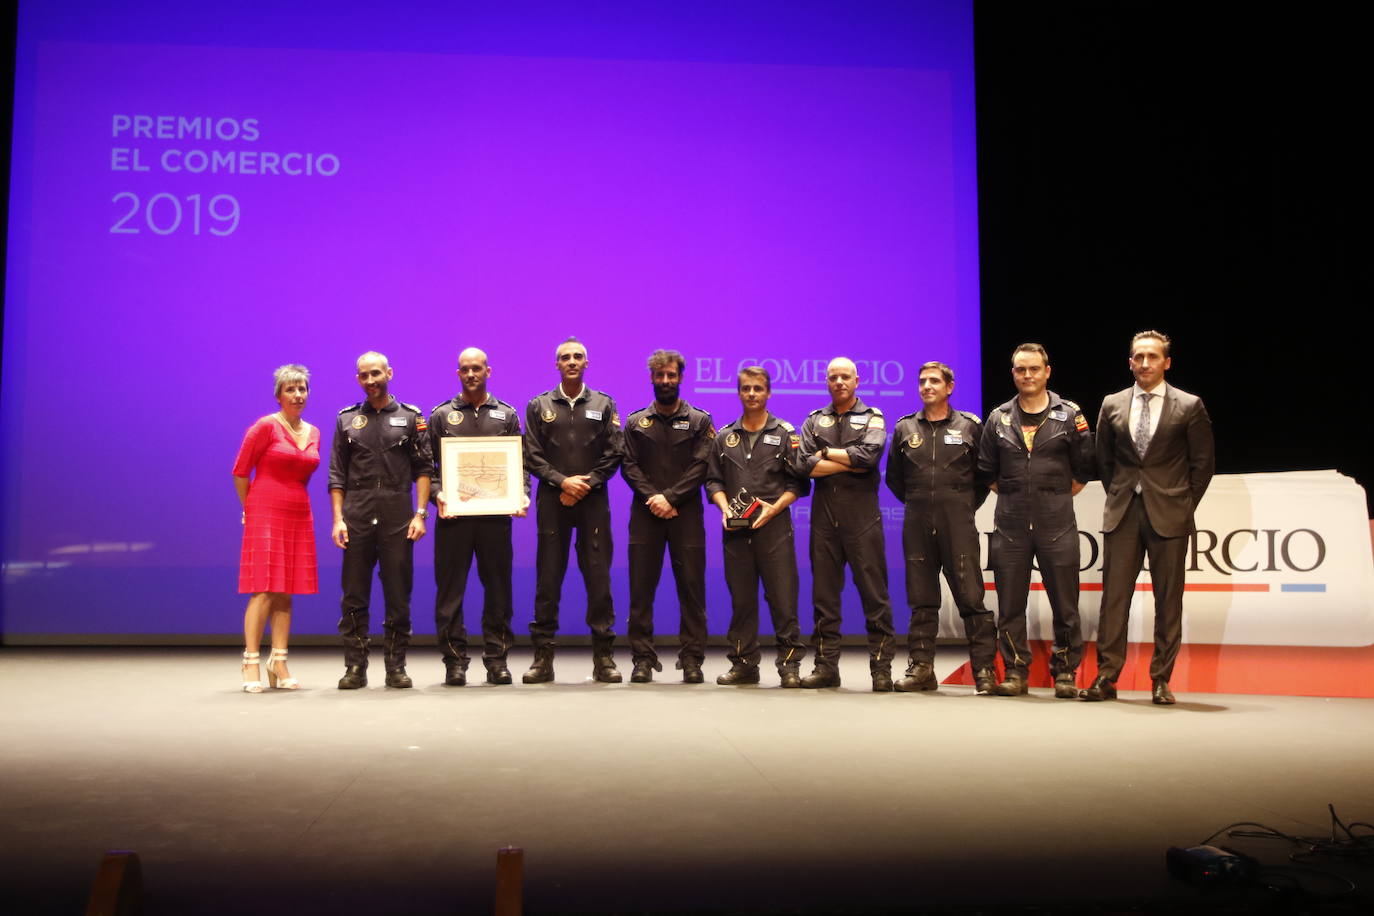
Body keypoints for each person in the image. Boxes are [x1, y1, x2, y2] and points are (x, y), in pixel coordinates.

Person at [1081, 331, 1214, 704]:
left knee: (1168, 600)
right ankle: (1107, 677)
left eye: (1152, 357)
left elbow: (1201, 466)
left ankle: (1161, 679)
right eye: (1138, 357)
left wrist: (1182, 504)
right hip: (1124, 510)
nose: (1144, 363)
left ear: (1166, 362)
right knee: (1114, 599)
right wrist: (1122, 491)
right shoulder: (1112, 403)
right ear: (1130, 362)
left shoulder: (1189, 405)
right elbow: (1103, 459)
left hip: (1169, 512)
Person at [977, 343, 1094, 698]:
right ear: (1013, 373)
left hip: (1056, 521)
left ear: (1047, 371)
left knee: (1065, 604)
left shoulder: (1070, 415)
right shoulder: (998, 417)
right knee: (1010, 606)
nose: (1027, 376)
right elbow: (987, 472)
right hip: (1010, 524)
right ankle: (1015, 671)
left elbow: (1084, 470)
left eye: (1033, 369)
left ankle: (1065, 673)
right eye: (1020, 370)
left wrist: (1049, 496)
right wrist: (1018, 495)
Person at [885, 361, 998, 695]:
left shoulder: (970, 427)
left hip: (958, 523)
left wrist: (959, 505)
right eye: (922, 381)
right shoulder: (905, 428)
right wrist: (923, 502)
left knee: (971, 598)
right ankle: (921, 669)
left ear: (949, 387)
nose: (927, 386)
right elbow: (895, 479)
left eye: (934, 381)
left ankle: (984, 671)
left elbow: (983, 476)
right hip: (917, 521)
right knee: (922, 599)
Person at [522, 337, 625, 683]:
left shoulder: (604, 404)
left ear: (586, 363)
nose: (571, 362)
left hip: (593, 503)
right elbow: (531, 454)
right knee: (547, 579)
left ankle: (604, 658)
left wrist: (587, 483)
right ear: (556, 365)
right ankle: (542, 658)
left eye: (577, 357)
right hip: (553, 502)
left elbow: (614, 452)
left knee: (599, 579)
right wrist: (561, 482)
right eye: (565, 357)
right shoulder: (538, 405)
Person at [329, 351, 432, 690]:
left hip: (397, 513)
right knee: (354, 596)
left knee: (398, 595)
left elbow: (423, 470)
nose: (370, 380)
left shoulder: (411, 417)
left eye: (376, 373)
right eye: (363, 375)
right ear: (357, 379)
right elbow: (336, 476)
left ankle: (395, 667)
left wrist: (419, 513)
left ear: (389, 372)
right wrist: (337, 520)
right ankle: (355, 667)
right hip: (356, 514)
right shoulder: (346, 420)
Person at [428, 347, 529, 687]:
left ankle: (497, 660)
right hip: (453, 519)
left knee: (499, 591)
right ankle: (454, 662)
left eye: (477, 368)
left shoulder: (507, 414)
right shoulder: (441, 415)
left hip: (495, 520)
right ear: (458, 373)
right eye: (465, 369)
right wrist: (436, 493)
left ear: (488, 371)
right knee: (450, 593)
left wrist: (522, 493)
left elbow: (521, 464)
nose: (471, 374)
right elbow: (428, 468)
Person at [705, 366, 809, 687]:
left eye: (758, 388)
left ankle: (789, 666)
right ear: (738, 393)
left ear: (768, 393)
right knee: (742, 600)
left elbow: (799, 483)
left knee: (783, 599)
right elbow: (713, 480)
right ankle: (744, 664)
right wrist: (724, 509)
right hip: (735, 532)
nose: (752, 394)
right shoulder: (724, 436)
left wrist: (773, 509)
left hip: (774, 530)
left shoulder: (786, 434)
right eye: (746, 388)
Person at [799, 357, 897, 690]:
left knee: (875, 596)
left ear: (857, 380)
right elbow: (805, 467)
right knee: (824, 597)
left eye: (845, 377)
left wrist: (827, 454)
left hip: (862, 520)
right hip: (824, 521)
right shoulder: (815, 420)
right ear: (826, 381)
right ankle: (826, 666)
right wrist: (848, 459)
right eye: (833, 377)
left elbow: (869, 458)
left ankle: (881, 669)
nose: (839, 382)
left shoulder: (873, 416)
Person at [621, 350, 716, 683]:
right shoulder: (635, 422)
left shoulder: (700, 421)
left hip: (685, 514)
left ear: (680, 377)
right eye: (659, 375)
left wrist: (671, 497)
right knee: (641, 591)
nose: (665, 381)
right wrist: (655, 498)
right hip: (646, 514)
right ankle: (642, 659)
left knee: (691, 589)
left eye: (671, 375)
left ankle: (692, 659)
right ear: (651, 378)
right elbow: (628, 466)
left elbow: (702, 465)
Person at [232, 364, 320, 692]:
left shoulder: (313, 432)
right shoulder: (265, 427)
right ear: (278, 395)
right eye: (291, 389)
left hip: (298, 510)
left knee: (286, 587)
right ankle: (251, 660)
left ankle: (279, 660)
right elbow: (240, 471)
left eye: (302, 389)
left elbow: (304, 473)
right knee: (265, 586)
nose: (298, 395)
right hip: (264, 508)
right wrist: (249, 508)